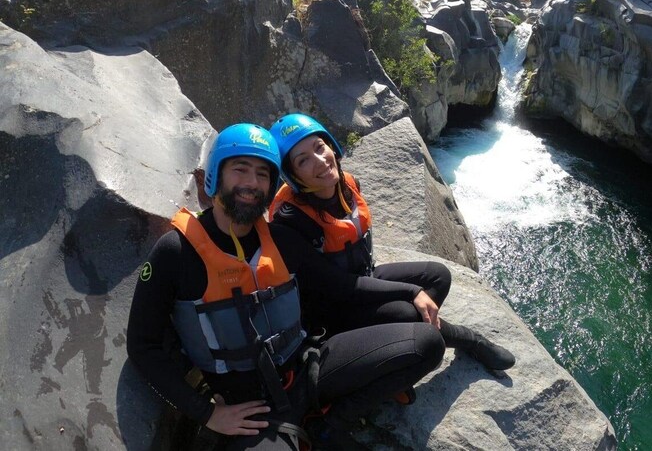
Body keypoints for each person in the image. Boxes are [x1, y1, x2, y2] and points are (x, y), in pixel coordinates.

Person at [127, 123, 445, 450]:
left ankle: (328, 424)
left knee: (426, 343)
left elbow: (342, 286)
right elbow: (142, 345)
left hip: (310, 366)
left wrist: (412, 292)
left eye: (263, 174)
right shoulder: (176, 252)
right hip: (251, 406)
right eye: (240, 169)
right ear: (215, 175)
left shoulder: (280, 240)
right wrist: (206, 413)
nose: (252, 182)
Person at [268, 113, 515, 372]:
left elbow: (359, 270)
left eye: (320, 147)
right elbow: (340, 286)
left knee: (438, 276)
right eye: (303, 160)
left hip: (362, 276)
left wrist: (412, 292)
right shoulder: (290, 222)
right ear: (293, 176)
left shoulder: (347, 185)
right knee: (407, 312)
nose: (320, 161)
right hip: (333, 309)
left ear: (331, 145)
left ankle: (403, 344)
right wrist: (411, 292)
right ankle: (469, 340)